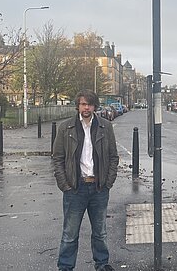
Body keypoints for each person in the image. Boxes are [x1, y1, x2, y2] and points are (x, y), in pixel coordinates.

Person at [52, 89, 119, 271]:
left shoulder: (105, 126)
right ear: (78, 106)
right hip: (75, 188)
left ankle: (102, 264)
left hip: (98, 188)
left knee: (100, 233)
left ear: (94, 106)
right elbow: (57, 158)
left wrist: (107, 182)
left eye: (89, 104)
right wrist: (64, 184)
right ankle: (65, 266)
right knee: (70, 234)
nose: (86, 107)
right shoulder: (66, 128)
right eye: (83, 104)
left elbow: (113, 156)